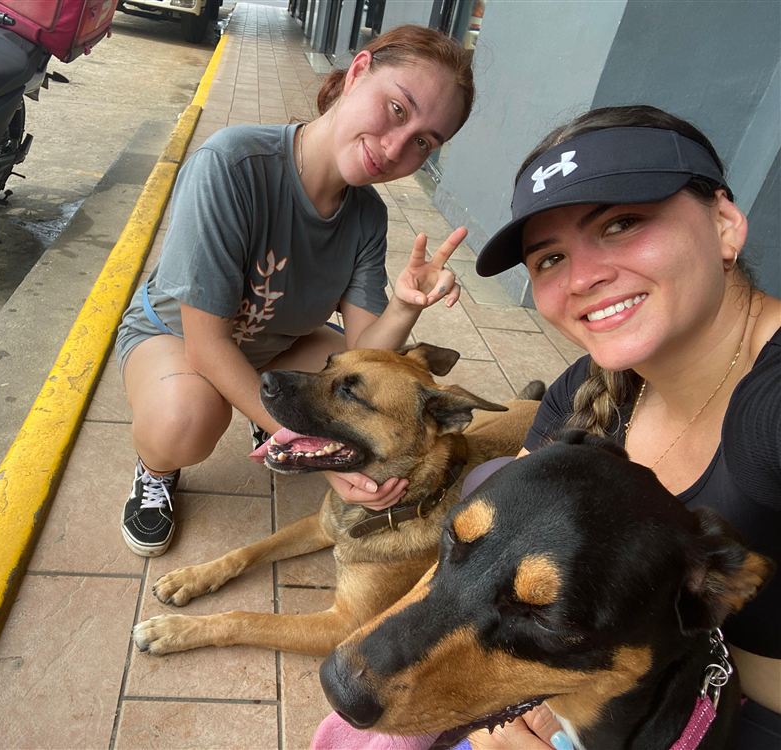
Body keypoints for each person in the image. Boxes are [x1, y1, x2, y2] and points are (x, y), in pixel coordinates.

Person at [467, 105, 780, 748]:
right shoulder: (588, 387)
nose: (583, 277)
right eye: (549, 258)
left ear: (723, 223)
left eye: (622, 223)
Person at [113, 25, 476, 558]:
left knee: (376, 397)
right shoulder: (233, 165)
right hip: (176, 338)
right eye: (398, 109)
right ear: (357, 73)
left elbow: (366, 354)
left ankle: (274, 413)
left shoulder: (367, 216)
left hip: (280, 343)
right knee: (186, 420)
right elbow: (207, 346)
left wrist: (403, 304)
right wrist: (316, 449)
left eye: (424, 141)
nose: (398, 146)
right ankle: (156, 470)